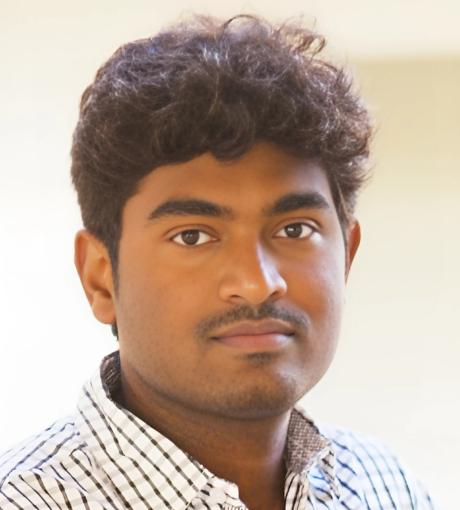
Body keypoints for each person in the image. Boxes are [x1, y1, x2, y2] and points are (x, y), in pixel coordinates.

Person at [0, 14, 437, 510]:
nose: (257, 283)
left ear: (346, 257)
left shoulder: (386, 487)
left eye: (295, 230)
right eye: (193, 236)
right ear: (100, 278)